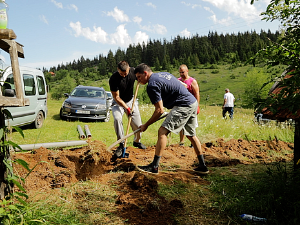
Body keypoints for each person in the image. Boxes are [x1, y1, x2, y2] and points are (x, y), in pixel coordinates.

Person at [134, 63, 209, 175]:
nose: (138, 81)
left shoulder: (152, 85)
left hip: (183, 105)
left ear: (145, 73)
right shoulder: (164, 74)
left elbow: (159, 110)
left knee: (162, 131)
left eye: (139, 77)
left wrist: (146, 125)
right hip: (192, 102)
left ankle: (154, 167)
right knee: (190, 134)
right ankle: (203, 166)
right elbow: (182, 85)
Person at [109, 61, 146, 158]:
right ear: (118, 70)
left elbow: (143, 74)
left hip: (130, 101)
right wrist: (126, 108)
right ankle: (121, 144)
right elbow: (116, 97)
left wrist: (140, 80)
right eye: (122, 74)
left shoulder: (134, 71)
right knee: (117, 119)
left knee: (138, 126)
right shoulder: (114, 79)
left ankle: (137, 141)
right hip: (118, 103)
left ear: (129, 68)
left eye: (125, 73)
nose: (124, 76)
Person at [178, 64, 200, 146]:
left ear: (187, 71)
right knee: (181, 124)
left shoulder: (192, 81)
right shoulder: (178, 80)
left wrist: (197, 106)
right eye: (180, 72)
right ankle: (182, 142)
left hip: (191, 105)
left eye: (183, 72)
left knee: (192, 124)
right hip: (182, 105)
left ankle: (193, 143)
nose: (181, 74)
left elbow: (197, 93)